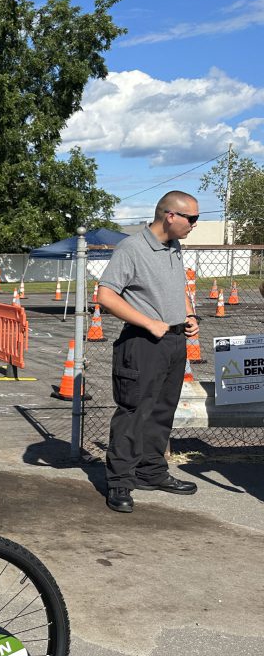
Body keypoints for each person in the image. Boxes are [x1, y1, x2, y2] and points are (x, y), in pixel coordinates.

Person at [98, 190, 201, 513]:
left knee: (162, 410)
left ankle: (151, 472)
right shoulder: (132, 248)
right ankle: (120, 482)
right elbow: (106, 295)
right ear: (170, 215)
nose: (194, 225)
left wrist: (189, 314)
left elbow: (178, 287)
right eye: (192, 218)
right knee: (134, 412)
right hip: (143, 342)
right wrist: (149, 323)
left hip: (173, 341)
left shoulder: (174, 246)